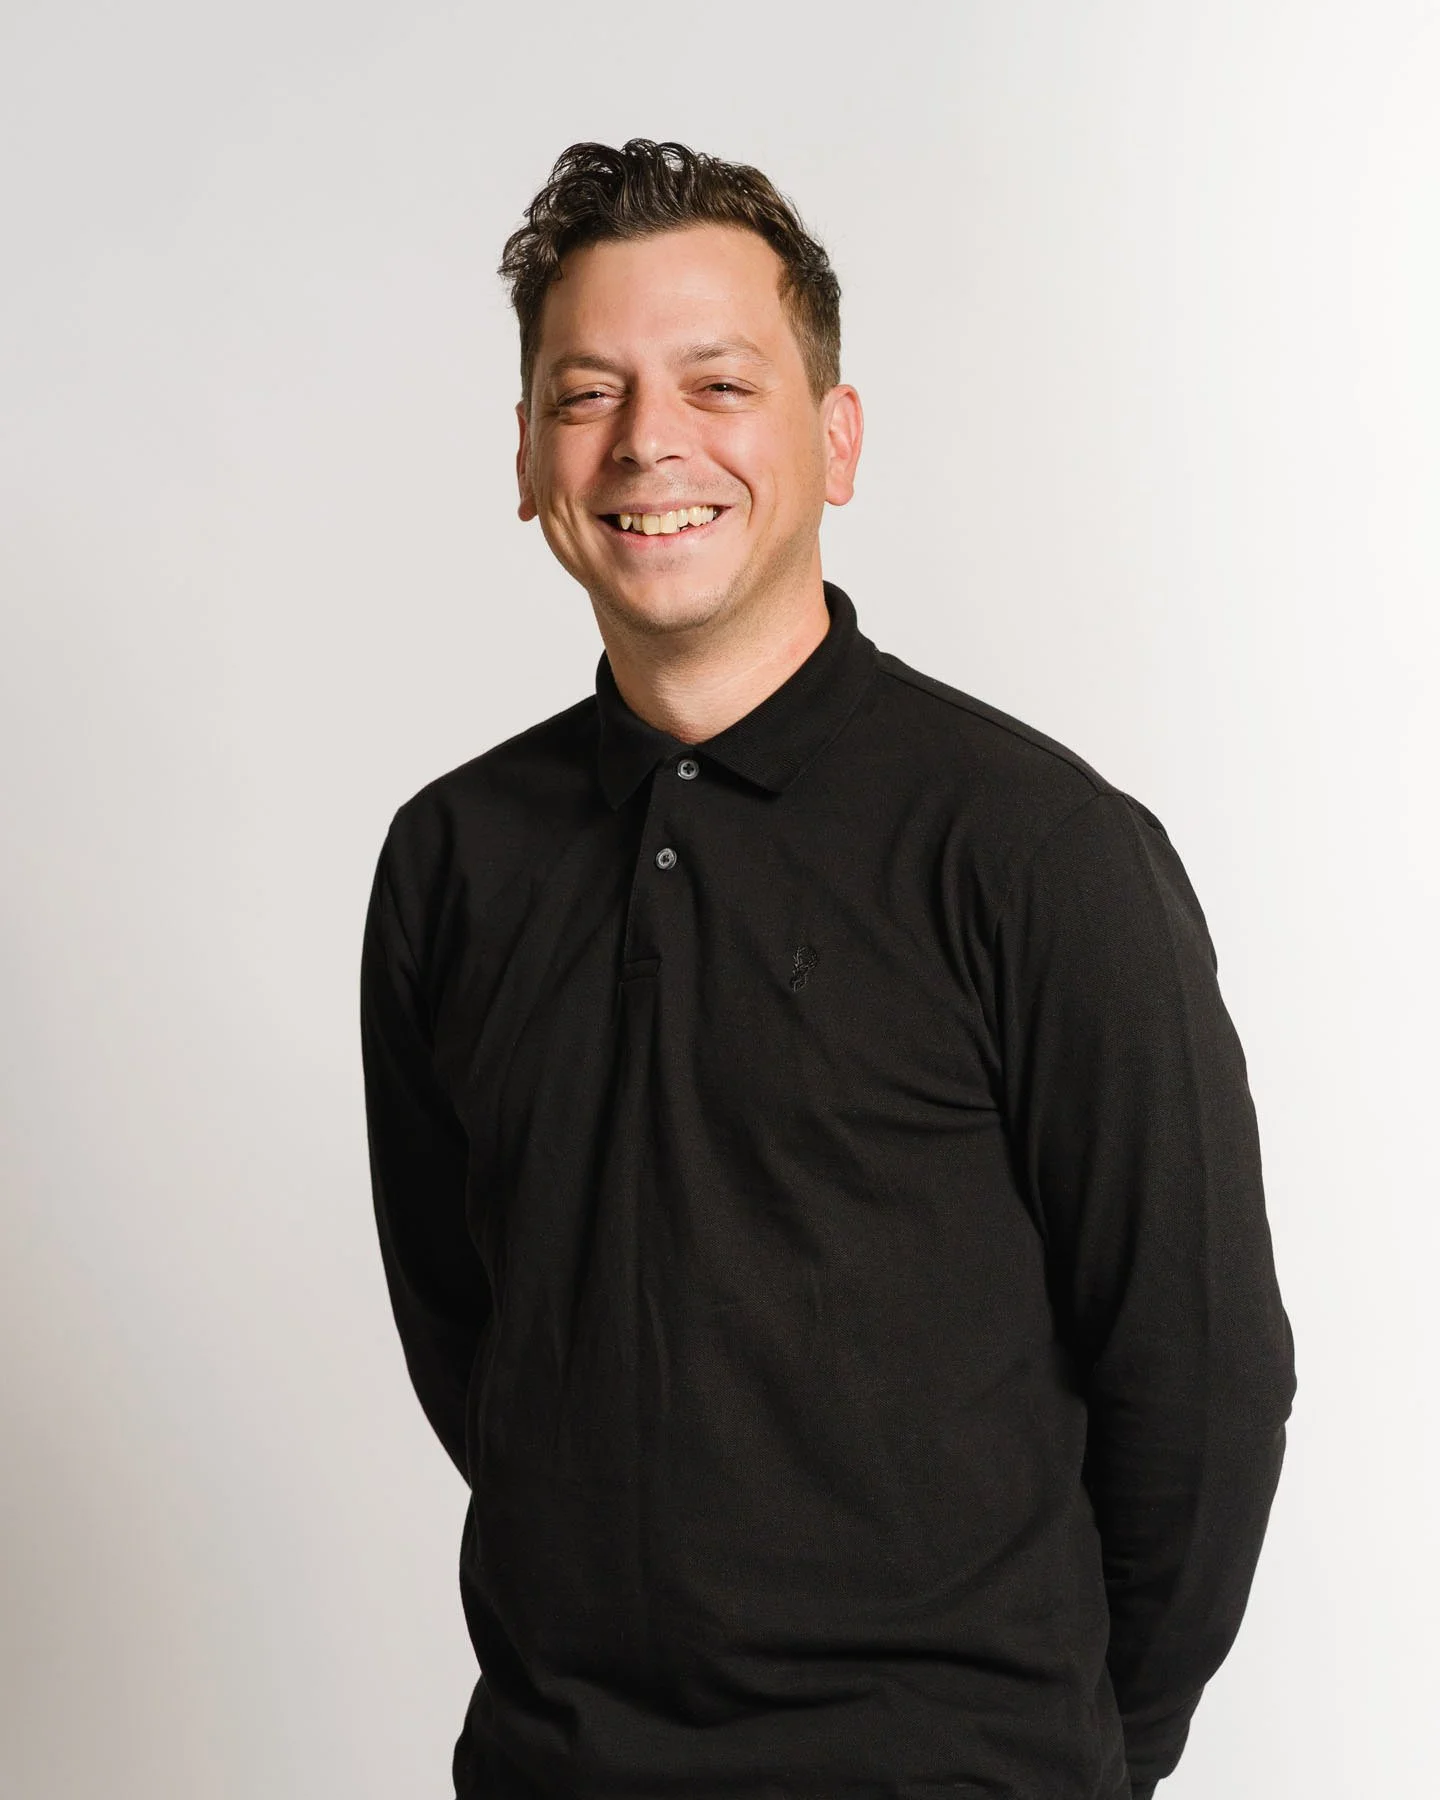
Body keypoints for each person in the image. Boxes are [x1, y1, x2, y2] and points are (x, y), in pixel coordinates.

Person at [359, 138, 1296, 1800]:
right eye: (588, 394)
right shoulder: (452, 864)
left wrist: (1076, 1760)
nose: (652, 443)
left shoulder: (1037, 851)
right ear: (525, 455)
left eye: (721, 383)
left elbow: (1202, 1386)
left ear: (834, 438)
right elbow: (484, 1354)